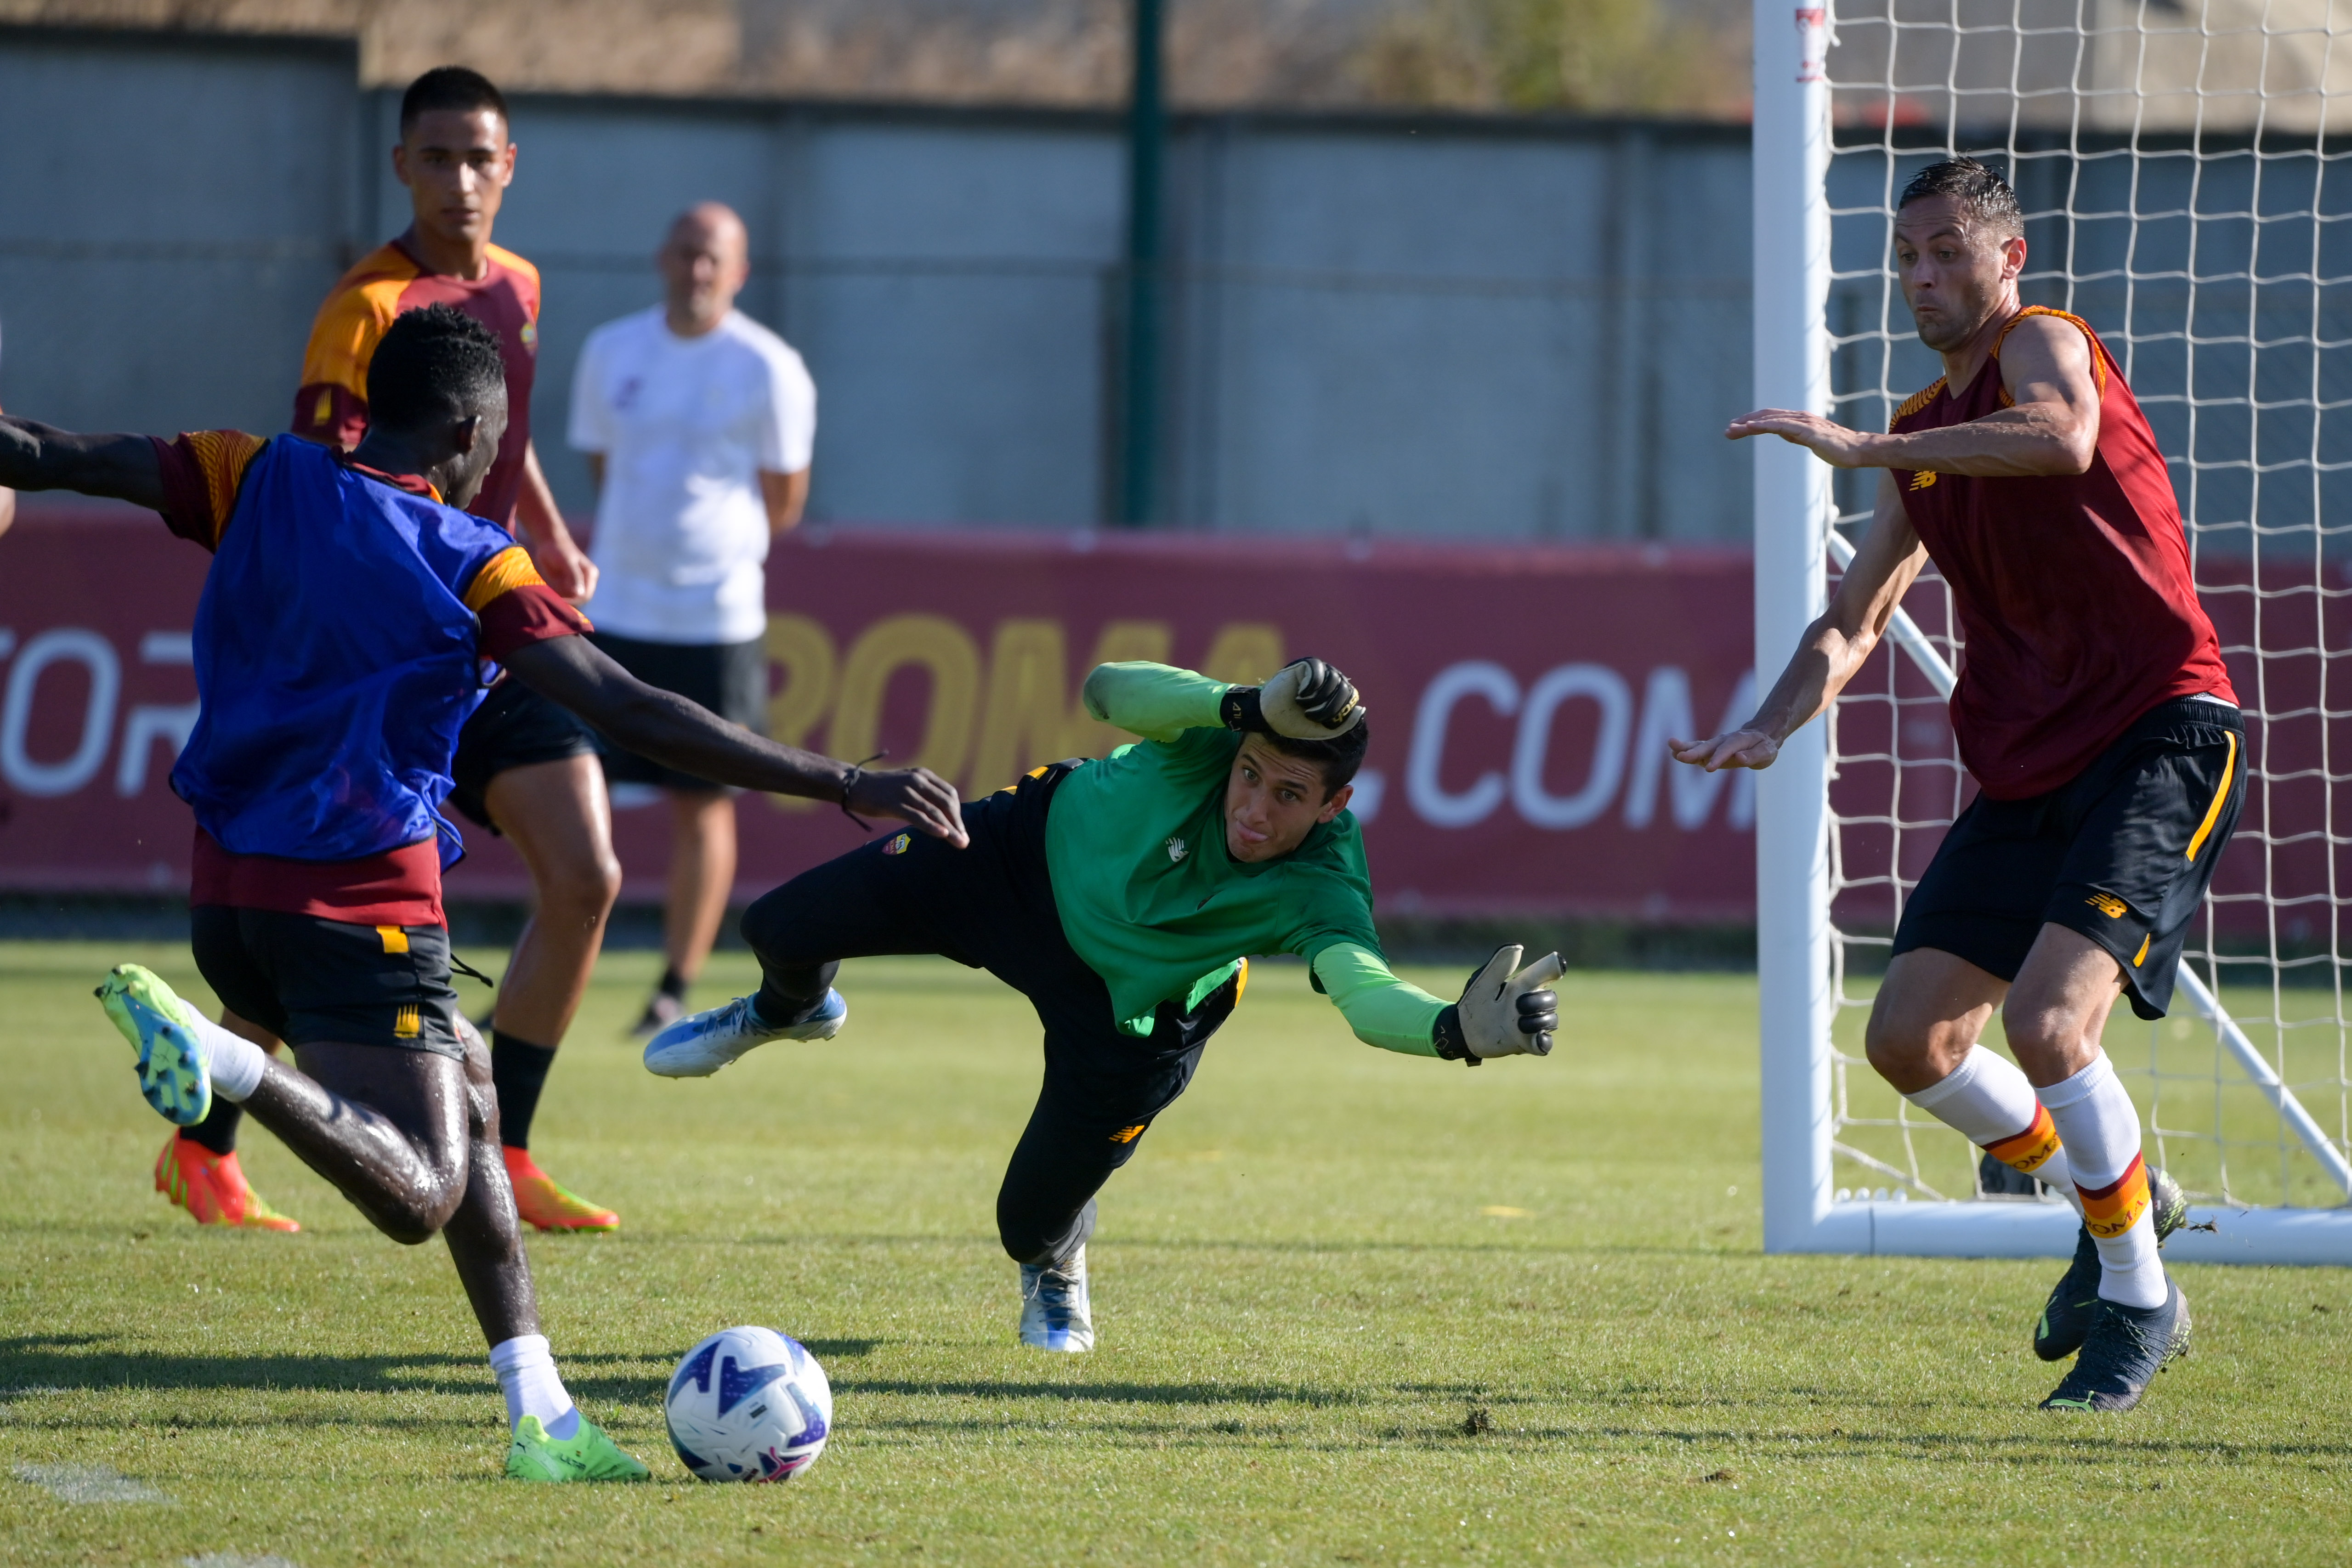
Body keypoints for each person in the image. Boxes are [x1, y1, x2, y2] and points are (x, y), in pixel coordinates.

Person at [0, 304, 963, 1477]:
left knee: (470, 1078)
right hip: (357, 906)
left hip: (229, 901)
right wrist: (843, 779)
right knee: (420, 1189)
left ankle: (542, 1415)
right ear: (468, 430)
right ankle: (225, 1060)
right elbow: (632, 709)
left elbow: (56, 455)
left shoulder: (249, 473)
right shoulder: (470, 559)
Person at [1676, 158, 2238, 1413]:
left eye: (1945, 251)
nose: (1924, 277)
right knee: (1908, 1038)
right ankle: (2108, 1200)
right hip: (2029, 762)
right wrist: (1765, 725)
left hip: (2160, 732)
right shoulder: (1926, 438)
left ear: (2008, 256)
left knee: (2047, 1028)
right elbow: (1853, 621)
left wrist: (1870, 440)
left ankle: (2141, 1296)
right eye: (1908, 260)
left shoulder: (2043, 347)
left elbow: (2063, 436)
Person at [643, 657, 1565, 1352]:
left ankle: (1058, 1257)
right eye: (1252, 774)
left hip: (1133, 1014)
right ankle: (788, 1009)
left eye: (1289, 796)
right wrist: (1237, 706)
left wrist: (1449, 1031)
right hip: (1011, 863)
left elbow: (1364, 993)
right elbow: (1105, 690)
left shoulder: (1326, 881)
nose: (1254, 807)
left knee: (1023, 1224)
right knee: (780, 926)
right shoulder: (1212, 736)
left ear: (1336, 805)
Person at [153, 64, 627, 1237]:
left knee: (588, 874)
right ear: (402, 165)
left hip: (493, 626)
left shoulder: (517, 285)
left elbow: (497, 441)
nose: (462, 179)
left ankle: (504, 1147)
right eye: (438, 157)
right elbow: (336, 497)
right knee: (307, 912)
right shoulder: (365, 308)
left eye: (482, 157)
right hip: (396, 656)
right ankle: (204, 1142)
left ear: (511, 167)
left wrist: (552, 537)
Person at [567, 203, 817, 1036]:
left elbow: (784, 501)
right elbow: (605, 465)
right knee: (567, 791)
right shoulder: (611, 351)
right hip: (618, 609)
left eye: (714, 258)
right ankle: (555, 967)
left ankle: (673, 983)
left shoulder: (770, 367)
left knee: (701, 802)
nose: (697, 270)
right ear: (661, 258)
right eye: (685, 253)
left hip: (717, 616)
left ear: (740, 271)